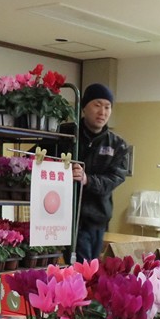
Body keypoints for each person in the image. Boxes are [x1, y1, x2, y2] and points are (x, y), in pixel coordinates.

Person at [53, 82, 130, 262]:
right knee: (72, 265)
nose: (102, 112)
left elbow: (115, 177)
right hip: (63, 215)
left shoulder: (117, 145)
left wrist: (88, 180)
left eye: (107, 107)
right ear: (84, 107)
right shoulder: (64, 134)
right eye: (97, 105)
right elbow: (41, 157)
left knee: (88, 267)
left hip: (96, 217)